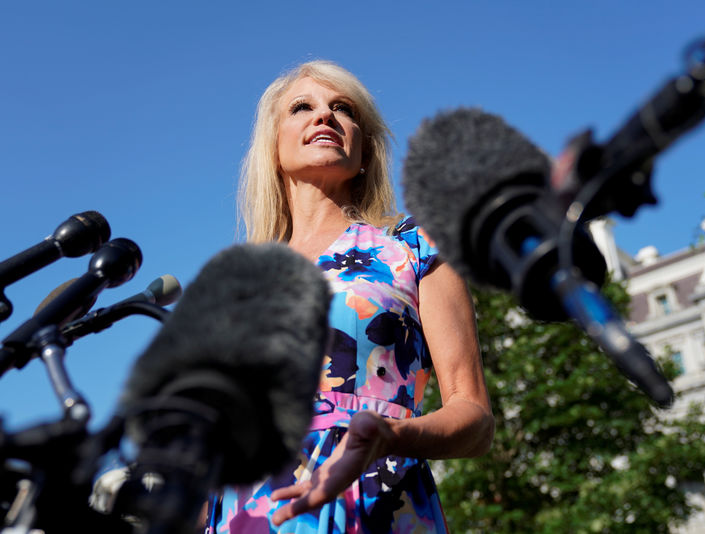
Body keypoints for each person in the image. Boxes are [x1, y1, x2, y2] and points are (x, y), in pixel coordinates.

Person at [206, 60, 494, 533]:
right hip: (246, 511)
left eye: (343, 108)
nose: (325, 116)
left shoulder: (414, 246)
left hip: (374, 497)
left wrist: (389, 435)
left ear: (364, 149)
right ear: (273, 146)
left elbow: (476, 418)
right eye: (303, 107)